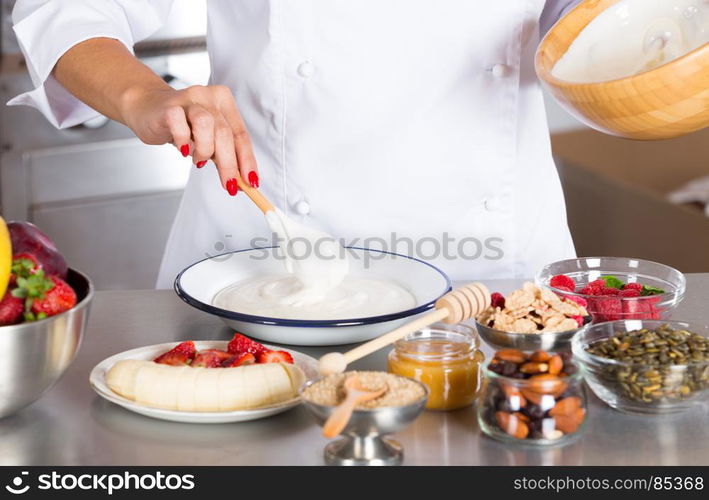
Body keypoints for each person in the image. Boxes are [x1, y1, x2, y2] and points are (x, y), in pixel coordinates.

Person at [9, 0, 581, 288]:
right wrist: (143, 98)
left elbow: (592, 27)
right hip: (262, 264)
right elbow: (67, 9)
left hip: (493, 276)